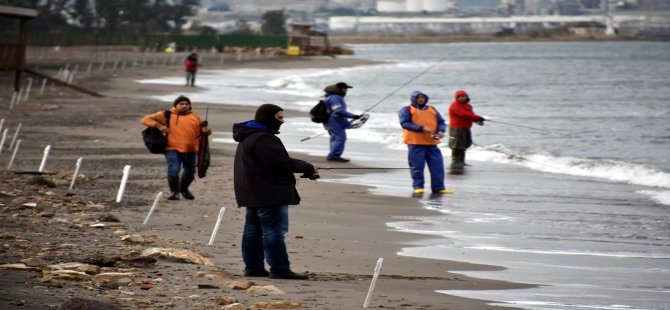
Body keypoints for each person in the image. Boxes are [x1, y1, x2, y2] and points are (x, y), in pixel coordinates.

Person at [233, 103, 320, 280]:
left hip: (253, 191)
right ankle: (279, 268)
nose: (282, 121)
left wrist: (306, 170)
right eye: (279, 118)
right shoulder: (263, 138)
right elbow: (280, 162)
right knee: (273, 231)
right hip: (269, 193)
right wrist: (308, 167)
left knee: (253, 231)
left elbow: (269, 163)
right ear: (267, 117)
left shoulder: (249, 135)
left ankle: (254, 267)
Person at [141, 95, 212, 200]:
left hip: (191, 149)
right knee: (174, 169)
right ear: (176, 105)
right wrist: (160, 126)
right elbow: (145, 120)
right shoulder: (166, 114)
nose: (184, 106)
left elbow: (206, 132)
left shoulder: (195, 117)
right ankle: (175, 192)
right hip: (172, 148)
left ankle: (184, 190)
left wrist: (206, 131)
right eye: (181, 104)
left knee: (190, 172)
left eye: (187, 104)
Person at [399, 91, 454, 195]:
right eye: (418, 97)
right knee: (417, 166)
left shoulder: (432, 109)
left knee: (437, 166)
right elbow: (404, 123)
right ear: (413, 99)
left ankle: (439, 188)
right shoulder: (406, 109)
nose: (421, 99)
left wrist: (441, 131)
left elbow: (441, 122)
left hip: (431, 143)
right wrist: (421, 128)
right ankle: (418, 187)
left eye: (422, 97)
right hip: (415, 143)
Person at [323, 82, 363, 162]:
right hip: (333, 121)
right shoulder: (335, 97)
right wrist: (352, 116)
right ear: (341, 89)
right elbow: (338, 110)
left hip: (330, 120)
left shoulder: (330, 97)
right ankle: (333, 156)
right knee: (341, 137)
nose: (346, 91)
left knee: (335, 137)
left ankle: (333, 154)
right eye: (345, 89)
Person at [448, 89, 485, 171]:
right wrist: (478, 117)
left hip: (466, 128)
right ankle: (456, 161)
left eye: (464, 96)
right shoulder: (454, 105)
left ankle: (461, 161)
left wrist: (477, 120)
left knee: (465, 144)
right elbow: (463, 114)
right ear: (456, 98)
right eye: (460, 97)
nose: (462, 98)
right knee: (456, 145)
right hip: (456, 128)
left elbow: (470, 115)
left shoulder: (468, 106)